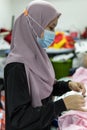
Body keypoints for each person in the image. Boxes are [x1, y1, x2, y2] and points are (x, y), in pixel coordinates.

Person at [4, 1, 86, 130]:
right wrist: (62, 105)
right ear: (34, 25)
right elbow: (18, 119)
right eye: (51, 27)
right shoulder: (16, 67)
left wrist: (68, 85)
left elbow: (46, 88)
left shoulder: (39, 56)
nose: (53, 33)